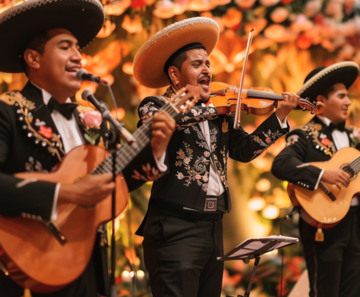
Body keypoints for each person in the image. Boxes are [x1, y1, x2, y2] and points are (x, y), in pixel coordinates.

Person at [0, 1, 176, 296]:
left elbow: (111, 184)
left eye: (78, 48)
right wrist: (65, 192)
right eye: (65, 47)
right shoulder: (8, 110)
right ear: (33, 57)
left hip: (87, 259)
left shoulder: (93, 119)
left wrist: (156, 149)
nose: (78, 57)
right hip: (24, 263)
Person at [132, 17, 300, 297]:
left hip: (213, 226)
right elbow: (167, 121)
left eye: (208, 63)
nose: (207, 70)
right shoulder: (155, 106)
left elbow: (245, 151)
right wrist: (214, 109)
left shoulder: (218, 111)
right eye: (197, 64)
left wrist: (279, 116)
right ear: (175, 75)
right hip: (175, 228)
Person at [271, 61, 360, 297]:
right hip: (324, 224)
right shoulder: (305, 136)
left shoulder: (356, 137)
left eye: (348, 96)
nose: (348, 102)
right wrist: (323, 174)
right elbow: (280, 164)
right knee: (324, 291)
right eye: (341, 96)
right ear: (320, 100)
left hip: (356, 222)